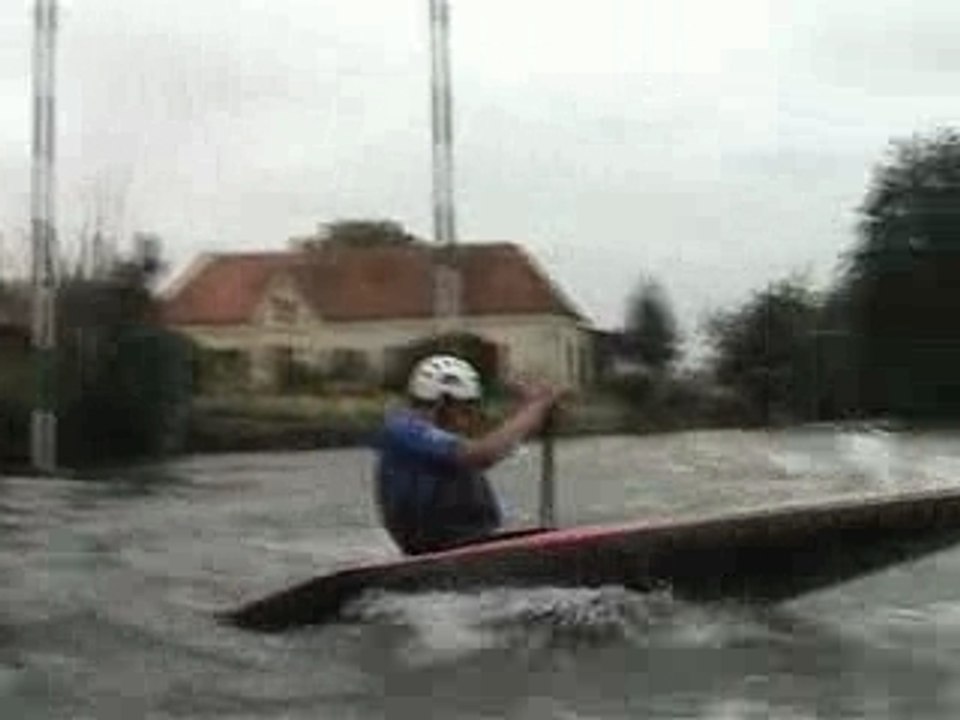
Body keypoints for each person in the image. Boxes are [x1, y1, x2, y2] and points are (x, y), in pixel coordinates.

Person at [374, 354, 563, 555]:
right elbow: (483, 454)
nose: (471, 418)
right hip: (434, 546)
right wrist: (535, 408)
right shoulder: (403, 430)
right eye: (466, 409)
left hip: (473, 539)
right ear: (443, 403)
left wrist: (538, 416)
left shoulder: (442, 435)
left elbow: (498, 440)